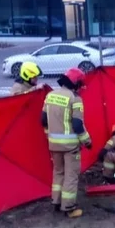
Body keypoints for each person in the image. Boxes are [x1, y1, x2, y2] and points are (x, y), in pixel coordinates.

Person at [42, 68, 91, 218]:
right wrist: (87, 141)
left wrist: (49, 136)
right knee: (71, 175)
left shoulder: (50, 95)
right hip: (70, 146)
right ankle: (69, 208)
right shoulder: (75, 99)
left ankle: (56, 202)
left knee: (58, 173)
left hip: (53, 144)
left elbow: (43, 120)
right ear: (75, 83)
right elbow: (77, 125)